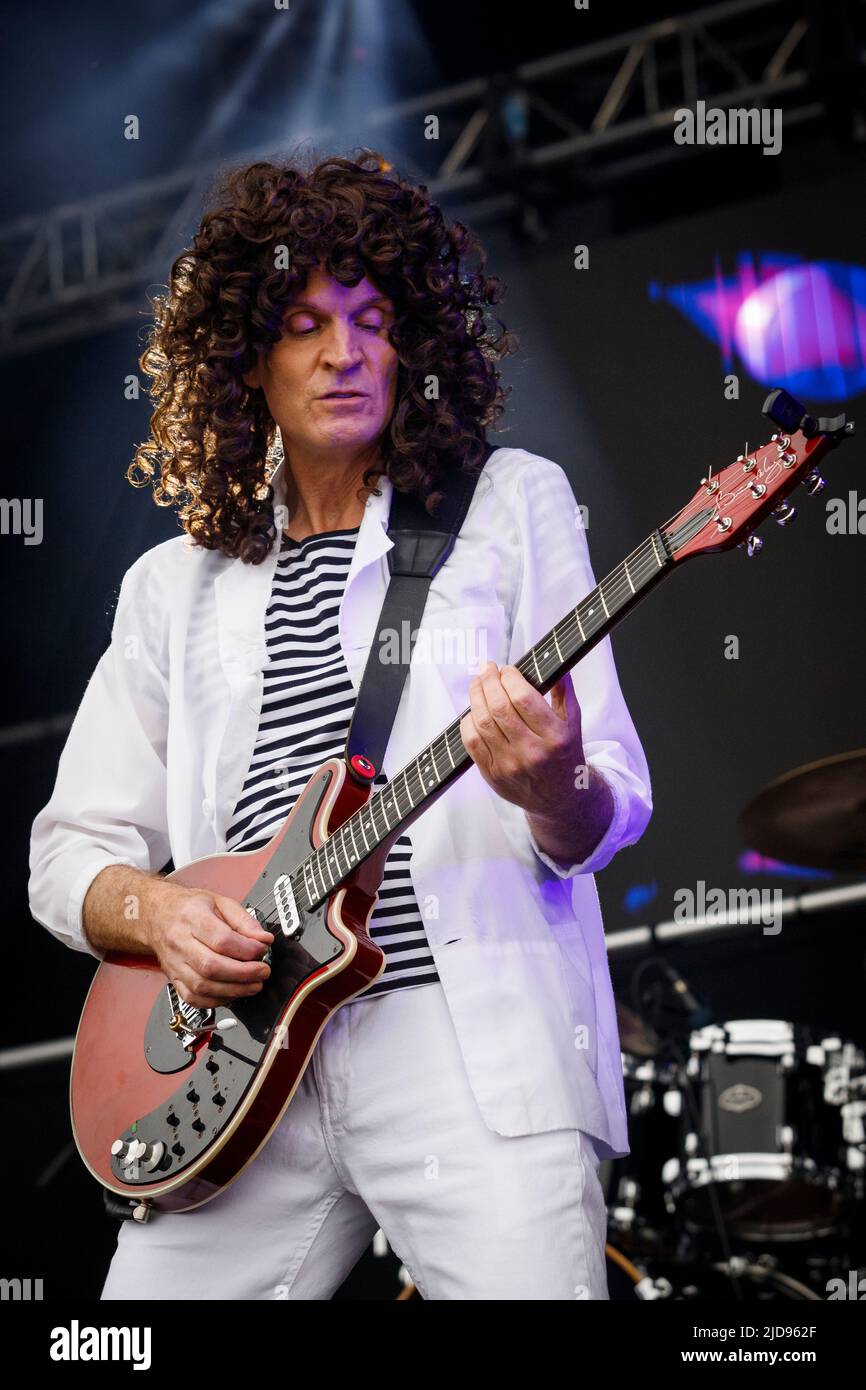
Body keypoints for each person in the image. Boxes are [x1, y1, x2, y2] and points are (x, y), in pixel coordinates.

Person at [28, 149, 652, 1300]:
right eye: (305, 322)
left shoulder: (510, 503)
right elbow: (66, 855)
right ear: (244, 358)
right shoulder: (173, 585)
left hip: (461, 1050)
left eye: (371, 319)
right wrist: (163, 914)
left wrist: (551, 781)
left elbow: (603, 804)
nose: (344, 352)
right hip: (236, 1069)